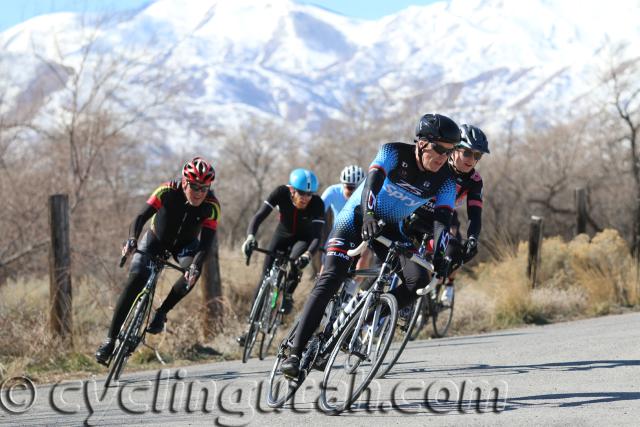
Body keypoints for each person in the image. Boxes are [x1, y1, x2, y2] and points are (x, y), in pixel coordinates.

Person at [280, 113, 461, 378]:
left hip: (391, 228)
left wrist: (442, 254)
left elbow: (442, 220)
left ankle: (357, 324)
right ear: (421, 143)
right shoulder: (393, 152)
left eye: (449, 151)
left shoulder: (446, 179)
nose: (443, 157)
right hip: (356, 217)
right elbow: (372, 184)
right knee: (331, 277)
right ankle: (295, 353)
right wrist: (368, 215)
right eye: (438, 149)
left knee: (419, 281)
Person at [95, 157, 220, 365]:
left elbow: (206, 244)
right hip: (156, 239)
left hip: (185, 246)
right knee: (136, 280)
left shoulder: (212, 206)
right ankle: (110, 340)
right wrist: (133, 239)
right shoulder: (167, 191)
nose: (199, 193)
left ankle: (161, 313)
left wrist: (195, 266)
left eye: (204, 188)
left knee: (192, 274)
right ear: (184, 182)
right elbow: (140, 217)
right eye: (195, 187)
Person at [237, 168, 325, 346]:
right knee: (265, 278)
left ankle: (288, 294)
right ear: (292, 190)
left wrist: (308, 254)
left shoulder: (317, 204)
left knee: (295, 261)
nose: (305, 198)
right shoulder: (280, 192)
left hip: (303, 239)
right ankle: (250, 329)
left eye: (309, 194)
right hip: (282, 235)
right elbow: (259, 215)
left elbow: (317, 237)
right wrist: (250, 236)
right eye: (301, 193)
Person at [404, 124, 489, 304]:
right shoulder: (438, 165)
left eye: (477, 155)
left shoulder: (475, 181)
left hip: (444, 217)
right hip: (413, 212)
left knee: (454, 250)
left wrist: (473, 238)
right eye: (467, 153)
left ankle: (447, 284)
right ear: (455, 150)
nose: (472, 160)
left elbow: (475, 214)